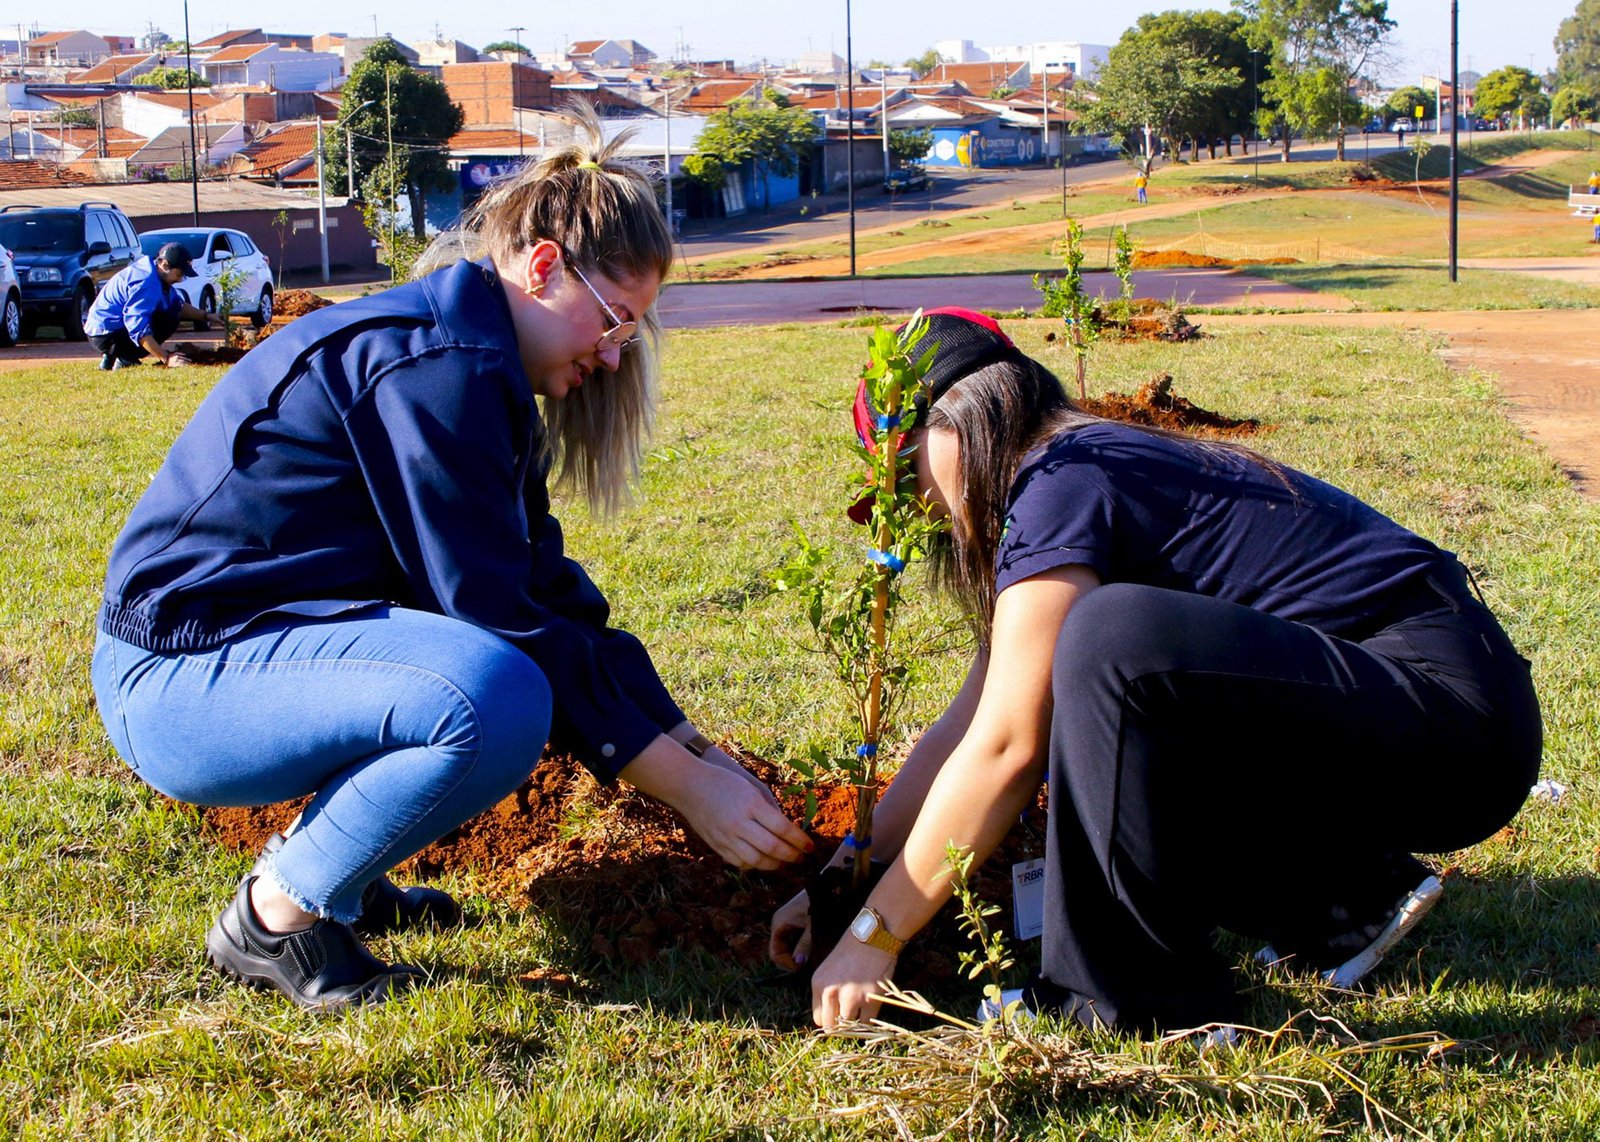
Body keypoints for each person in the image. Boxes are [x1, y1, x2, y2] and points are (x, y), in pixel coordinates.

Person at [90, 105, 810, 1011]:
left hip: (247, 656)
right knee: (495, 692)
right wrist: (685, 790)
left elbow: (547, 590)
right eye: (615, 321)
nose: (617, 356)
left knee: (488, 671)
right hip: (178, 683)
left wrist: (685, 740)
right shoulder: (437, 370)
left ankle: (343, 880)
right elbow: (497, 618)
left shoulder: (478, 368)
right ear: (545, 266)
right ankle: (273, 917)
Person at [772, 308, 1541, 1035]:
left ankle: (1127, 995)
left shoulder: (1059, 483)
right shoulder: (1068, 479)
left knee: (1110, 638)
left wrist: (878, 936)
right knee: (1108, 674)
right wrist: (842, 879)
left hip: (1450, 719)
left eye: (909, 476)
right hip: (1416, 712)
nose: (921, 509)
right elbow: (967, 727)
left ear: (958, 419)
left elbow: (1008, 746)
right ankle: (1340, 901)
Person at [85, 241, 211, 369]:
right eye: (178, 274)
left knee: (171, 312)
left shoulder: (153, 271)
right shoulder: (146, 282)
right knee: (169, 320)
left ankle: (111, 357)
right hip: (107, 335)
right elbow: (138, 327)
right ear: (165, 265)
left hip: (102, 331)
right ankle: (125, 358)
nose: (179, 280)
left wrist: (207, 316)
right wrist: (166, 358)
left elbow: (177, 305)